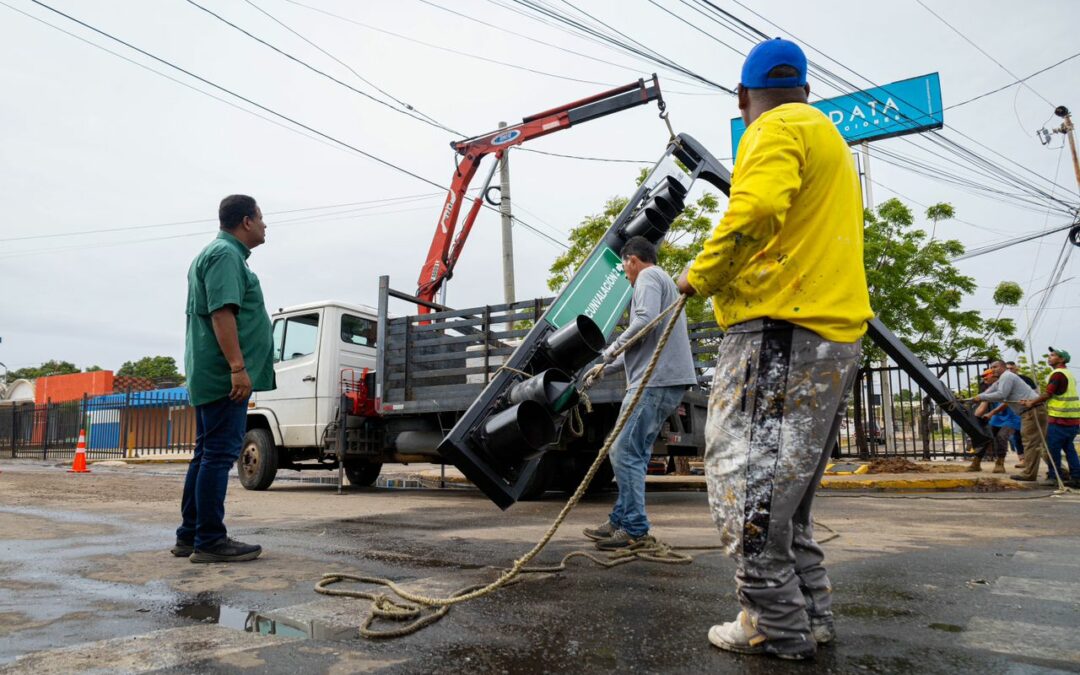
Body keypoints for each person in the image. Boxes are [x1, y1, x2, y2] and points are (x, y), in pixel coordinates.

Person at [675, 38, 872, 660]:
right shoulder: (827, 137)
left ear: (743, 98)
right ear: (807, 88)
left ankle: (774, 628)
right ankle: (811, 616)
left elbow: (757, 206)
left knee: (747, 494)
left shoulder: (772, 128)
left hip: (780, 334)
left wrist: (697, 275)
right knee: (786, 502)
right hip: (830, 333)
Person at [174, 195, 275, 563]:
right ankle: (210, 540)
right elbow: (221, 313)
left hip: (212, 372)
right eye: (262, 218)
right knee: (217, 455)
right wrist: (237, 366)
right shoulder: (225, 255)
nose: (266, 225)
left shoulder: (218, 254)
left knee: (206, 454)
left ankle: (191, 535)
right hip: (222, 374)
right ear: (246, 221)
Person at [582, 236, 698, 550]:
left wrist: (608, 351)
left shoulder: (648, 276)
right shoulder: (661, 282)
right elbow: (642, 342)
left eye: (624, 266)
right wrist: (604, 368)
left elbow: (644, 321)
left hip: (655, 381)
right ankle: (621, 519)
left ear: (632, 259)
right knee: (633, 453)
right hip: (659, 380)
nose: (624, 273)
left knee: (623, 451)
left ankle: (634, 528)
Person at [972, 360, 1046, 483]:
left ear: (1002, 367)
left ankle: (1029, 473)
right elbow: (988, 392)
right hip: (1028, 412)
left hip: (1031, 411)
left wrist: (981, 398)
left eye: (995, 367)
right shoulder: (1001, 380)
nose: (992, 370)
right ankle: (1058, 471)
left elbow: (1001, 395)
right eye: (991, 368)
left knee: (1031, 444)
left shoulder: (1007, 376)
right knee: (1040, 443)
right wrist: (974, 398)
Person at [1019, 348, 1079, 487]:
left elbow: (1048, 394)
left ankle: (1054, 476)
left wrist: (1031, 402)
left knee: (1053, 449)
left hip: (1060, 418)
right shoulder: (1068, 373)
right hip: (1073, 418)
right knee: (1069, 448)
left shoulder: (1057, 374)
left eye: (1053, 355)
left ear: (1061, 359)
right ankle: (1076, 477)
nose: (1049, 357)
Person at [970, 369, 1020, 474]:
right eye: (983, 377)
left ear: (993, 376)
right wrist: (974, 418)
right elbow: (983, 405)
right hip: (997, 417)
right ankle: (976, 462)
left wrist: (991, 413)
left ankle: (1000, 463)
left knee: (1001, 436)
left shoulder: (1005, 384)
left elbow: (1006, 403)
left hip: (1011, 416)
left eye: (986, 376)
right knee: (986, 437)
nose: (984, 379)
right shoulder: (990, 389)